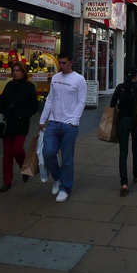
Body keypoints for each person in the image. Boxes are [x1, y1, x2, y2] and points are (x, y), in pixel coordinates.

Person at [39, 51, 87, 202]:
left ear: (71, 62)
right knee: (48, 152)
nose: (61, 66)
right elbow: (50, 100)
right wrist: (42, 119)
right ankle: (58, 178)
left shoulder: (79, 80)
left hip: (68, 124)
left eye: (64, 63)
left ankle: (65, 187)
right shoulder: (55, 78)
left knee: (67, 158)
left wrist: (74, 121)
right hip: (53, 122)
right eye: (60, 63)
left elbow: (81, 101)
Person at [0, 60, 38, 192]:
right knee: (7, 153)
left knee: (17, 149)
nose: (15, 73)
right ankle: (7, 181)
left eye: (18, 71)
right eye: (14, 71)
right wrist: (1, 114)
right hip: (8, 124)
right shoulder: (9, 85)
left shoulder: (29, 87)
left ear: (23, 72)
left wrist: (23, 116)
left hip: (21, 124)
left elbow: (33, 107)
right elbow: (2, 101)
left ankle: (24, 167)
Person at [110, 65, 137, 196]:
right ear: (135, 76)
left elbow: (112, 104)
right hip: (135, 122)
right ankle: (136, 173)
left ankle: (124, 182)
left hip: (122, 121)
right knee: (136, 148)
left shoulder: (119, 88)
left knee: (123, 152)